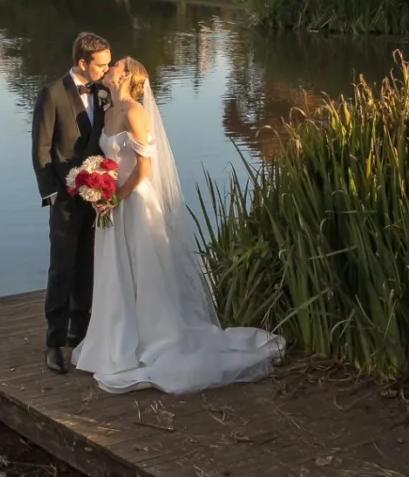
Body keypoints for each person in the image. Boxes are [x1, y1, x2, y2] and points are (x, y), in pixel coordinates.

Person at [71, 57, 285, 394]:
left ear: (127, 75)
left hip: (135, 203)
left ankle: (154, 340)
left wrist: (117, 196)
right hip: (112, 203)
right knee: (117, 271)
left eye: (115, 65)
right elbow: (111, 160)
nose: (109, 67)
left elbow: (144, 167)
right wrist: (98, 184)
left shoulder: (134, 113)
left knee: (145, 272)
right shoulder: (109, 110)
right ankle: (114, 340)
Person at [33, 31, 113, 374]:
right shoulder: (52, 93)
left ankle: (79, 336)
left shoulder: (105, 93)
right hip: (64, 198)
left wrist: (106, 188)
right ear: (83, 62)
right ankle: (53, 343)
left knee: (87, 268)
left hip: (97, 198)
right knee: (61, 269)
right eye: (102, 64)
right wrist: (52, 193)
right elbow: (41, 150)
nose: (107, 70)